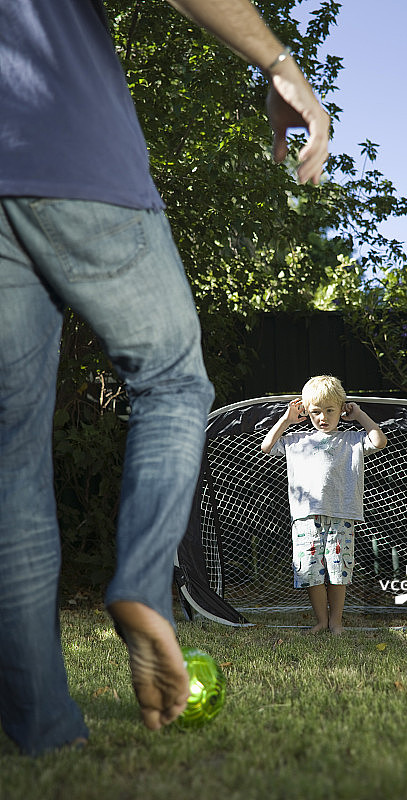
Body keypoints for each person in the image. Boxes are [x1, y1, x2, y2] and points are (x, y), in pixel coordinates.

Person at [0, 0, 329, 756]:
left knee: (11, 459)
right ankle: (142, 585)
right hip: (69, 149)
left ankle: (45, 734)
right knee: (173, 381)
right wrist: (281, 68)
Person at [261, 376, 387, 634]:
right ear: (306, 411)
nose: (323, 417)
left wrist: (360, 414)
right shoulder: (297, 441)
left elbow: (379, 441)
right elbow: (267, 446)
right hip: (306, 518)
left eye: (330, 410)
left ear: (341, 410)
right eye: (316, 411)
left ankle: (336, 622)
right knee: (310, 572)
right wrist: (286, 420)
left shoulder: (352, 441)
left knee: (338, 570)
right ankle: (320, 620)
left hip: (341, 515)